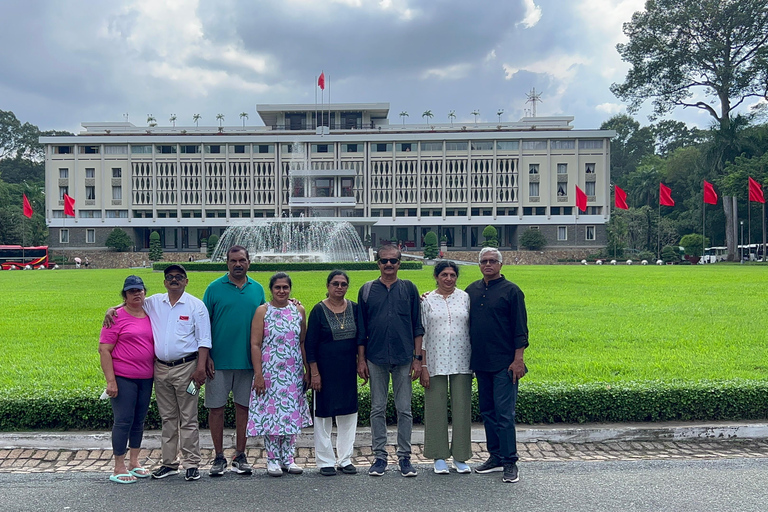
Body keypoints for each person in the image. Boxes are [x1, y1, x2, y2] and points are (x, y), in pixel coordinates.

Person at [357, 244, 424, 477]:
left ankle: (405, 457)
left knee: (404, 409)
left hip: (404, 356)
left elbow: (417, 326)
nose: (388, 265)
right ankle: (379, 457)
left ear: (399, 263)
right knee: (377, 408)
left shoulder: (408, 289)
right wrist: (361, 360)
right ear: (378, 263)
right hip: (375, 357)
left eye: (393, 261)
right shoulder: (367, 290)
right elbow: (361, 330)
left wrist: (418, 359)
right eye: (384, 261)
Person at [465, 247, 529, 483]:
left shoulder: (512, 291)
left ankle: (510, 462)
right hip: (481, 362)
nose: (488, 264)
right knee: (488, 412)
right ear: (479, 264)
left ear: (501, 265)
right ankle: (496, 456)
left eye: (493, 261)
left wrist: (518, 359)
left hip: (505, 364)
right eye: (484, 261)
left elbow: (520, 329)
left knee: (505, 414)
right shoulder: (472, 290)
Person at [203, 245, 265, 476]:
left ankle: (240, 454)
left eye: (242, 260)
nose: (237, 264)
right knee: (216, 409)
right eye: (233, 261)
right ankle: (218, 456)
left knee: (244, 409)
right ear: (227, 263)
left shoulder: (257, 289)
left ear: (249, 262)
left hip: (248, 362)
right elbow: (203, 325)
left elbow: (267, 320)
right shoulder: (214, 288)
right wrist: (206, 356)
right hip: (218, 362)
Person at [145, 264, 212, 481]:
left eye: (179, 277)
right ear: (164, 282)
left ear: (186, 281)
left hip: (187, 368)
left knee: (188, 418)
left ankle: (192, 463)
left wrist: (200, 368)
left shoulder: (196, 306)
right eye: (170, 277)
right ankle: (169, 463)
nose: (174, 280)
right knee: (168, 418)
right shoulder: (155, 302)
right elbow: (132, 303)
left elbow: (204, 340)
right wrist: (112, 309)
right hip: (161, 368)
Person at [247, 272, 312, 477]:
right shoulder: (263, 311)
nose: (282, 291)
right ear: (271, 289)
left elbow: (302, 341)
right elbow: (255, 344)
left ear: (290, 289)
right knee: (272, 415)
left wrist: (307, 369)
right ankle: (273, 458)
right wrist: (259, 374)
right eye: (278, 288)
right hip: (270, 372)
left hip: (292, 372)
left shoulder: (298, 310)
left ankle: (288, 458)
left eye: (285, 287)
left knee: (291, 413)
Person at [98, 275, 155, 484]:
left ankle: (134, 461)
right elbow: (104, 350)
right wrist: (111, 381)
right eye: (131, 291)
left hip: (146, 377)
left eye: (139, 290)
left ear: (144, 292)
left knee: (139, 421)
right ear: (125, 295)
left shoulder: (150, 313)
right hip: (123, 377)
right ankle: (119, 465)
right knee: (123, 420)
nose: (136, 294)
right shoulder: (116, 317)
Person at [419, 261, 472, 475]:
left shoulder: (465, 298)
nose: (448, 278)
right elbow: (422, 334)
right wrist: (422, 364)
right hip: (434, 360)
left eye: (452, 274)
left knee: (462, 409)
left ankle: (460, 456)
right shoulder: (427, 301)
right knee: (435, 408)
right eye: (444, 274)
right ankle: (438, 456)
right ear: (436, 276)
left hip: (462, 359)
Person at [305, 270, 359, 476]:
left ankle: (345, 459)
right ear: (328, 286)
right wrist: (314, 373)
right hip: (324, 372)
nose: (339, 287)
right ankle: (325, 460)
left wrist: (360, 362)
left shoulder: (354, 308)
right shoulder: (319, 310)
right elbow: (310, 345)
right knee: (323, 416)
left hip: (347, 370)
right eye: (335, 283)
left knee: (348, 414)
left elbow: (361, 338)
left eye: (343, 284)